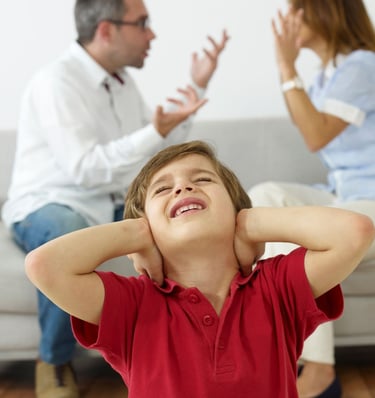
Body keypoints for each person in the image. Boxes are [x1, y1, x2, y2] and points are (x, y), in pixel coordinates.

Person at [25, 140, 375, 398]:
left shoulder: (276, 288)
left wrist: (251, 223)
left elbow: (355, 232)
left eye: (203, 180)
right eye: (163, 189)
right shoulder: (132, 304)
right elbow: (44, 265)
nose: (182, 186)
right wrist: (134, 233)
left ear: (235, 210)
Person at [1, 0, 229, 395]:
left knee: (187, 220)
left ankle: (193, 349)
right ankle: (53, 361)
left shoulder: (122, 83)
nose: (152, 34)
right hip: (50, 203)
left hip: (107, 203)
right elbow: (85, 168)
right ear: (106, 30)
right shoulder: (57, 82)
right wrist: (153, 133)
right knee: (66, 232)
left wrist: (197, 87)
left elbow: (158, 150)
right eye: (142, 24)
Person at [248, 1, 375, 397]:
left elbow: (315, 135)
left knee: (298, 234)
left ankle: (318, 368)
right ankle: (282, 353)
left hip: (370, 201)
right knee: (265, 197)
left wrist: (287, 67)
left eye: (294, 10)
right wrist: (292, 72)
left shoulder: (362, 65)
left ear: (324, 11)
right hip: (345, 194)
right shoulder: (326, 77)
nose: (286, 22)